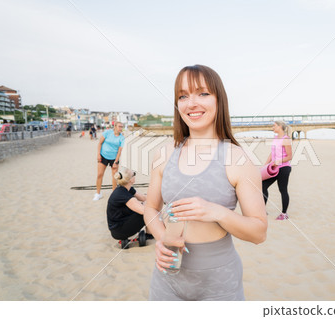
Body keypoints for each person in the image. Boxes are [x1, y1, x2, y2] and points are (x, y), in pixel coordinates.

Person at [144, 64, 267, 300]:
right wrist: (162, 239)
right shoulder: (164, 154)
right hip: (166, 281)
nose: (191, 103)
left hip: (220, 284)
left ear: (219, 100)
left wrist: (216, 212)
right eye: (183, 96)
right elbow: (150, 208)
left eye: (203, 93)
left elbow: (259, 232)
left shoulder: (237, 159)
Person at [107, 167, 152, 242]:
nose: (135, 175)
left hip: (120, 225)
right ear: (130, 179)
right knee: (148, 210)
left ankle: (149, 233)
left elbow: (143, 198)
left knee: (147, 203)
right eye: (134, 174)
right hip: (119, 231)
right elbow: (144, 211)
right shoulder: (122, 194)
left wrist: (157, 198)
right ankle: (148, 234)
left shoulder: (127, 188)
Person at [262, 121, 293, 220]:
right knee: (263, 186)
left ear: (279, 127)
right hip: (274, 168)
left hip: (284, 168)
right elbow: (272, 153)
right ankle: (262, 210)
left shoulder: (286, 139)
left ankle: (284, 214)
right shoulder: (275, 138)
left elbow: (289, 156)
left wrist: (278, 161)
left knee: (282, 190)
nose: (272, 127)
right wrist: (265, 165)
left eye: (274, 126)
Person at [93, 121, 125, 201]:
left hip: (114, 158)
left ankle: (114, 194)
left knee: (115, 176)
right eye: (119, 126)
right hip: (103, 156)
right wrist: (98, 154)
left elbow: (120, 150)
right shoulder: (107, 133)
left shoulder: (122, 137)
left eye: (122, 127)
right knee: (99, 174)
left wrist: (116, 161)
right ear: (115, 127)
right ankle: (98, 193)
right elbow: (100, 143)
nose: (121, 128)